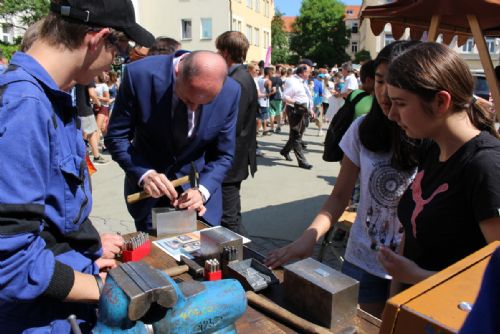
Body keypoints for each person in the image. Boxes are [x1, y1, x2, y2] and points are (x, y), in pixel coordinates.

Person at [0, 0, 154, 332]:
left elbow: (49, 212)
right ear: (98, 38)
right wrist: (105, 291)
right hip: (35, 316)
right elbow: (10, 264)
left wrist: (88, 243)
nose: (115, 64)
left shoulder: (52, 96)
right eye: (120, 51)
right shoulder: (24, 107)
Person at [266, 41, 421, 318]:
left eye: (395, 84)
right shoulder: (363, 128)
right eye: (380, 81)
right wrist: (308, 238)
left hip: (414, 268)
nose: (385, 93)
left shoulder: (427, 134)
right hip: (362, 261)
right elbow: (339, 196)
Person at [379, 42, 500, 290]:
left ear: (440, 102)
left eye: (400, 103)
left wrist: (418, 276)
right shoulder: (432, 149)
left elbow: (494, 278)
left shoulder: (486, 166)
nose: (392, 115)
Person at [105, 50, 240, 233]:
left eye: (205, 103)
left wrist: (202, 190)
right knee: (154, 260)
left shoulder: (231, 92)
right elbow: (116, 137)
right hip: (150, 198)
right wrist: (144, 174)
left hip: (199, 203)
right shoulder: (140, 75)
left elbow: (223, 155)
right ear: (178, 72)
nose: (194, 109)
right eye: (188, 100)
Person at [216, 31, 258, 236]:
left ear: (225, 53)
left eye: (218, 51)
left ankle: (238, 259)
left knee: (228, 216)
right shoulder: (241, 76)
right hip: (236, 156)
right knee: (231, 213)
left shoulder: (237, 81)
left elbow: (232, 123)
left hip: (232, 159)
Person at [279, 59, 316, 170]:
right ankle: (302, 161)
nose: (310, 74)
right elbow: (285, 96)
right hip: (295, 111)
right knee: (296, 136)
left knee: (297, 134)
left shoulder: (302, 81)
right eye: (308, 72)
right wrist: (295, 103)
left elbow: (308, 97)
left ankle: (285, 151)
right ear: (302, 72)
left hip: (303, 110)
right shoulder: (291, 81)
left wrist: (311, 109)